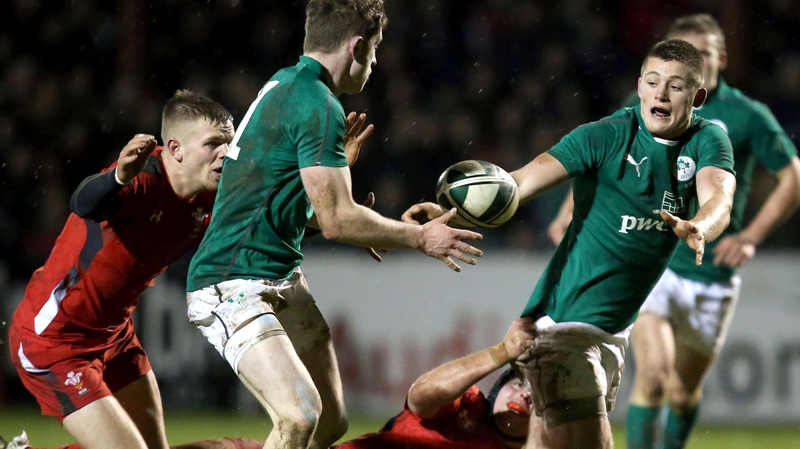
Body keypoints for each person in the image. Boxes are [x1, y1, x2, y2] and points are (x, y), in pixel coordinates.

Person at [403, 39, 737, 449]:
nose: (660, 94)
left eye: (675, 85)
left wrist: (701, 225)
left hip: (611, 333)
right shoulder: (604, 136)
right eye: (652, 82)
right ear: (639, 86)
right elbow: (519, 183)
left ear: (698, 96)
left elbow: (720, 197)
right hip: (562, 329)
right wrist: (449, 207)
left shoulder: (708, 141)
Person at [185, 1, 483, 449]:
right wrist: (421, 237)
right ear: (357, 45)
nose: (378, 61)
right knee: (301, 415)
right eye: (377, 49)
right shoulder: (318, 105)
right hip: (232, 282)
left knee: (330, 422)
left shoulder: (286, 84)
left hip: (278, 275)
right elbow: (339, 221)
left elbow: (288, 207)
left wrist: (360, 220)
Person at [547, 14, 800, 449]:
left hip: (711, 272)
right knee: (655, 377)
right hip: (653, 261)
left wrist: (751, 235)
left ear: (719, 58)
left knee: (683, 394)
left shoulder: (746, 116)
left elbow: (792, 177)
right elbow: (605, 152)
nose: (682, 65)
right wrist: (569, 211)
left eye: (699, 53)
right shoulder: (647, 99)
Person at [7, 90, 235, 449]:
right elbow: (84, 203)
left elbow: (267, 227)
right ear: (175, 149)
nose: (226, 153)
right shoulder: (141, 178)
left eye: (230, 143)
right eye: (214, 144)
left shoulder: (213, 196)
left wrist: (328, 201)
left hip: (115, 337)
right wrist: (117, 177)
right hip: (54, 341)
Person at [5, 318, 536, 449]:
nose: (526, 391)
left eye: (541, 394)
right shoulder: (462, 404)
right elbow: (420, 395)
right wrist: (498, 353)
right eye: (520, 377)